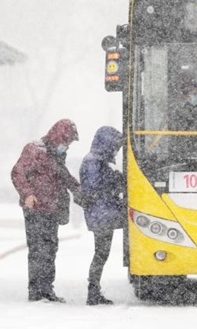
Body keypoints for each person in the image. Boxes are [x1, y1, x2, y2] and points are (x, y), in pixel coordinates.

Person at [11, 118, 81, 303]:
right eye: (66, 142)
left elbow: (62, 175)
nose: (67, 146)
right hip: (36, 208)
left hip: (52, 208)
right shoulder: (35, 150)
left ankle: (46, 289)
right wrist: (28, 194)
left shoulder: (54, 154)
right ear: (59, 137)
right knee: (38, 249)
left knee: (50, 249)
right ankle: (36, 291)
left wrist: (78, 189)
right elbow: (17, 173)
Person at [78, 126, 124, 306]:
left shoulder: (97, 161)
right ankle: (93, 292)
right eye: (115, 146)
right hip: (101, 215)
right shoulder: (93, 163)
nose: (116, 150)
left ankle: (94, 291)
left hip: (103, 214)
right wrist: (115, 182)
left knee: (101, 253)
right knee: (101, 254)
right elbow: (96, 188)